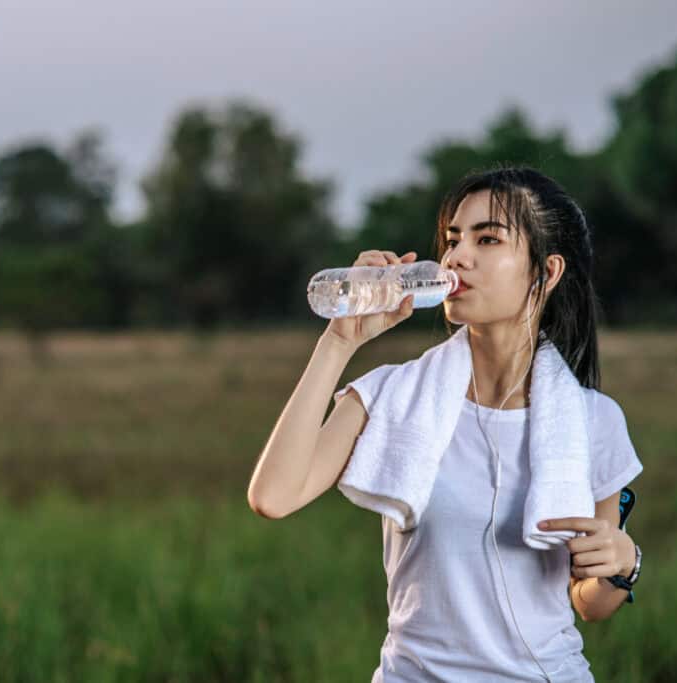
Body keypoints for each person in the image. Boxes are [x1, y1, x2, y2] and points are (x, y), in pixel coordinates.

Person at [247, 166, 643, 682]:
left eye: (487, 239)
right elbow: (273, 497)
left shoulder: (593, 420)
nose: (456, 257)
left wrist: (623, 563)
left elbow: (590, 603)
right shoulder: (392, 396)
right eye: (453, 239)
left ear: (546, 272)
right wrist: (339, 341)